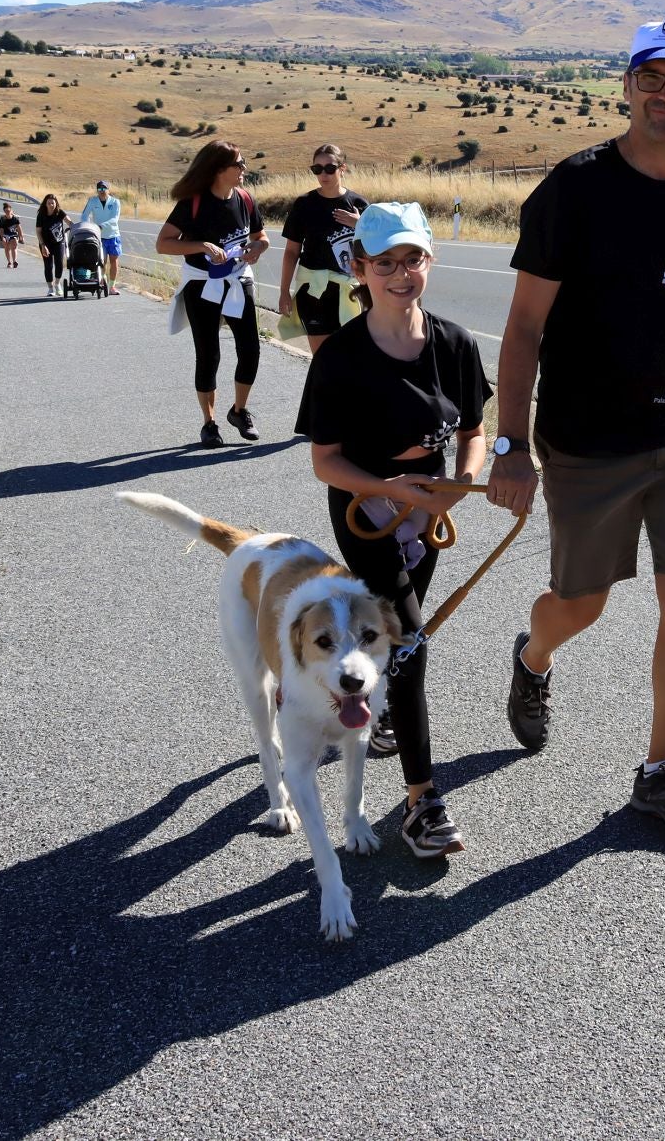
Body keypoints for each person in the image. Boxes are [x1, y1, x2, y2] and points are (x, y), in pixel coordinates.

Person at [486, 15, 665, 843]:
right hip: (587, 442)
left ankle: (658, 771)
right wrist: (511, 443)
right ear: (627, 84)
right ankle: (533, 657)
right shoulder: (573, 191)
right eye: (654, 77)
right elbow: (523, 329)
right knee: (580, 605)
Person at [296, 201, 490, 856]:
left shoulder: (455, 344)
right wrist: (392, 492)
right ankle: (422, 803)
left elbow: (473, 431)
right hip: (368, 510)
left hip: (429, 510)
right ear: (360, 267)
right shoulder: (341, 359)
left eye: (413, 259)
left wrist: (456, 489)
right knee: (411, 644)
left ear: (429, 260)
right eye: (386, 263)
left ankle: (382, 720)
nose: (401, 274)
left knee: (398, 634)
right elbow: (326, 461)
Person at [155, 140, 270, 447]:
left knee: (251, 349)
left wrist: (258, 248)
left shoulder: (245, 199)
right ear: (219, 169)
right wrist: (200, 246)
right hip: (201, 284)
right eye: (239, 164)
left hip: (237, 279)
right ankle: (209, 423)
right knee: (209, 354)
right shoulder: (193, 203)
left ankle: (239, 410)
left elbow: (261, 236)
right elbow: (163, 243)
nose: (244, 168)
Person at [277, 144, 368, 353]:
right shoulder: (304, 204)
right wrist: (283, 291)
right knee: (322, 360)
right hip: (313, 290)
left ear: (342, 168)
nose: (323, 174)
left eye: (329, 168)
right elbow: (291, 252)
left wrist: (360, 224)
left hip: (350, 291)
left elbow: (375, 250)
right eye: (317, 169)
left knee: (351, 358)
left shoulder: (358, 204)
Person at [80, 179, 123, 295]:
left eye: (104, 188)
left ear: (108, 190)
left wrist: (101, 226)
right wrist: (88, 227)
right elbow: (84, 216)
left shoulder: (115, 202)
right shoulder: (92, 201)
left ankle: (112, 286)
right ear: (97, 190)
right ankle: (103, 282)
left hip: (113, 235)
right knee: (101, 261)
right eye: (100, 189)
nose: (102, 191)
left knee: (114, 261)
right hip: (98, 236)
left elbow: (115, 219)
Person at [35, 193, 71, 297]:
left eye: (53, 203)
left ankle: (57, 283)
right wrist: (42, 245)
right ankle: (50, 288)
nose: (51, 205)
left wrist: (76, 227)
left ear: (56, 204)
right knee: (48, 266)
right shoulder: (41, 215)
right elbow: (38, 231)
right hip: (45, 243)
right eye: (49, 203)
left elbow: (69, 222)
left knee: (59, 263)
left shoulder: (59, 212)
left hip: (59, 242)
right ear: (45, 204)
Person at [0, 202, 23, 269]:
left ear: (11, 210)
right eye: (6, 211)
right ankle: (9, 262)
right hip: (5, 234)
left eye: (9, 211)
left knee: (14, 246)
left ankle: (14, 261)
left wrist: (21, 237)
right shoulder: (3, 219)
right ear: (4, 212)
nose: (8, 212)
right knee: (7, 248)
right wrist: (2, 237)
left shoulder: (15, 218)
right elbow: (1, 229)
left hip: (13, 234)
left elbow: (19, 228)